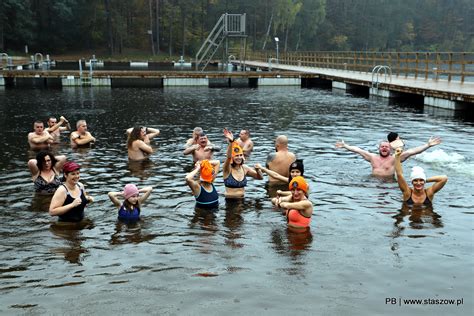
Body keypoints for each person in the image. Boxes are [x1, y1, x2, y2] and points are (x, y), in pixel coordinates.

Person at [335, 136, 442, 177]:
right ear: (379, 148)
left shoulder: (395, 158)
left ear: (390, 149)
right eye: (382, 147)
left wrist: (427, 145)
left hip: (389, 183)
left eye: (386, 147)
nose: (384, 148)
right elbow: (357, 150)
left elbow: (412, 151)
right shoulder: (372, 157)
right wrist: (345, 146)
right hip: (373, 182)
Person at [223, 128, 263, 198]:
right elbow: (228, 157)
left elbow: (260, 178)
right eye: (236, 156)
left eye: (240, 155)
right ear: (232, 157)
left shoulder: (245, 168)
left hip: (243, 200)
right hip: (230, 202)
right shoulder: (227, 168)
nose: (239, 157)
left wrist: (258, 170)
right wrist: (231, 142)